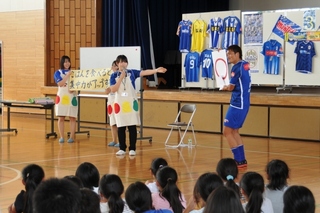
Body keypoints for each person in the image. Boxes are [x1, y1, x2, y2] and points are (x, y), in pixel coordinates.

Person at [109, 55, 167, 156]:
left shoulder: (132, 72)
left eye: (124, 62)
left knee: (132, 126)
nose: (123, 64)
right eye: (120, 62)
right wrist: (121, 77)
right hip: (120, 103)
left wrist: (156, 70)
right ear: (117, 64)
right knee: (121, 127)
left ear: (127, 63)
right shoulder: (113, 76)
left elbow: (144, 72)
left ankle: (132, 148)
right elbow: (113, 89)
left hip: (131, 102)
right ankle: (122, 147)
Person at [221, 45, 251, 168]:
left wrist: (225, 87)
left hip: (237, 103)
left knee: (227, 132)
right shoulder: (245, 64)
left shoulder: (236, 67)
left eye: (230, 54)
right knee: (234, 131)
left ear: (237, 54)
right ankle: (241, 160)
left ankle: (238, 160)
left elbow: (231, 87)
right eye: (227, 54)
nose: (228, 56)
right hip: (244, 103)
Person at [54, 55, 77, 143]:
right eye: (65, 62)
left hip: (72, 96)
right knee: (61, 117)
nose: (67, 63)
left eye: (68, 61)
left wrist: (73, 89)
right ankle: (62, 137)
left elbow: (77, 84)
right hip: (62, 97)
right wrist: (67, 75)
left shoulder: (74, 73)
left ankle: (71, 137)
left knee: (72, 118)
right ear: (62, 63)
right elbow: (60, 83)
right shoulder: (58, 72)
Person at [106, 60, 119, 147]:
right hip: (110, 101)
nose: (115, 67)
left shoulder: (121, 77)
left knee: (120, 122)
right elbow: (106, 91)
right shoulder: (109, 77)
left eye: (117, 66)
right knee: (112, 122)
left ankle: (120, 141)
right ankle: (114, 140)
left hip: (118, 101)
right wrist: (107, 90)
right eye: (114, 66)